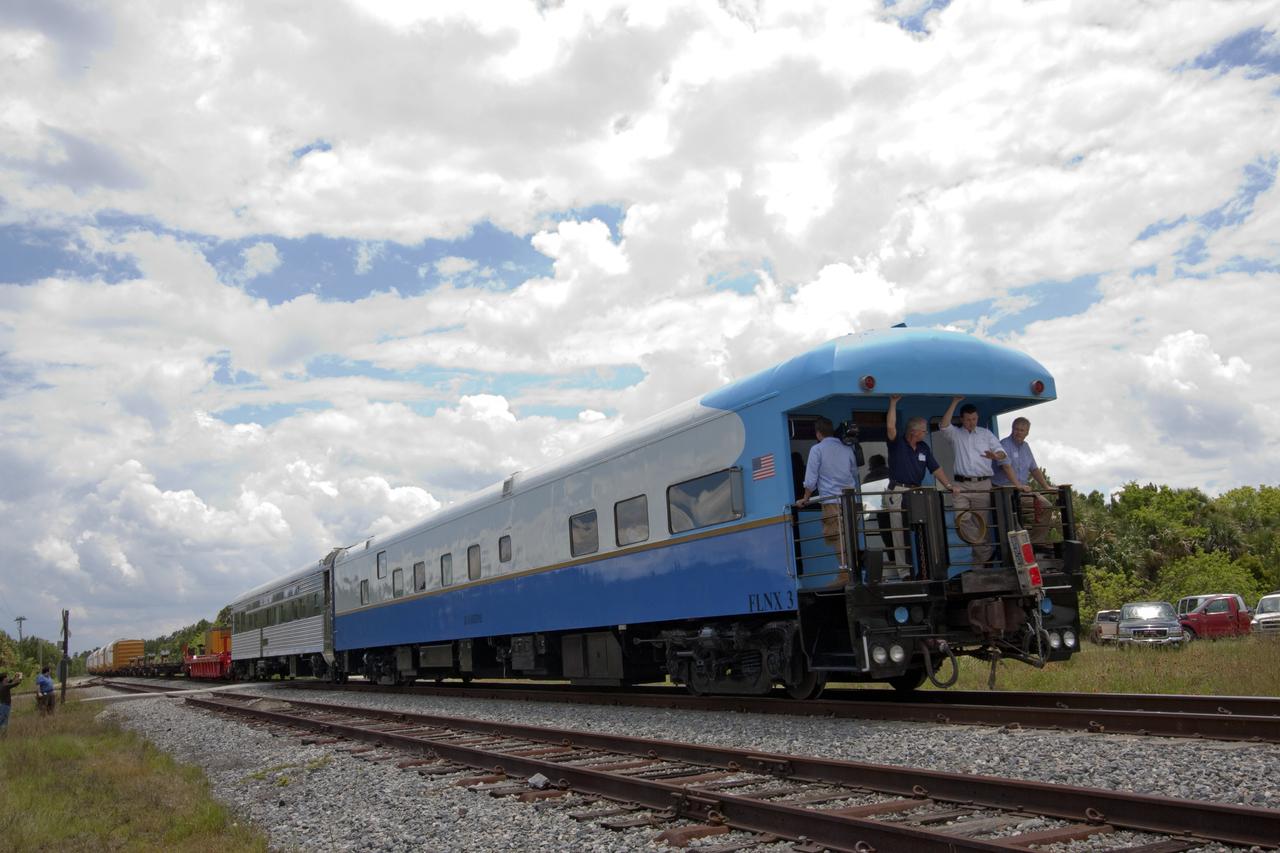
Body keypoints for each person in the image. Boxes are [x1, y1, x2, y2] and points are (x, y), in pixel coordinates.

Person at [937, 396, 1029, 566]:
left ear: (977, 418)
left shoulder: (986, 434)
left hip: (983, 484)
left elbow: (1002, 453)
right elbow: (943, 425)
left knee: (981, 524)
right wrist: (954, 402)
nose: (972, 422)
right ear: (962, 419)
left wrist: (995, 455)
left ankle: (980, 564)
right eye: (968, 419)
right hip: (962, 484)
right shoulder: (956, 434)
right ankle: (986, 550)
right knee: (961, 519)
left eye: (974, 419)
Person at [884, 396, 961, 576]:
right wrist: (893, 403)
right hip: (898, 491)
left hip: (916, 492)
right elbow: (890, 427)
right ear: (914, 432)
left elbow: (936, 468)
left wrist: (949, 485)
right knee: (899, 532)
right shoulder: (897, 444)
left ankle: (925, 569)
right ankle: (905, 574)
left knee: (921, 529)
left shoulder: (923, 447)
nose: (925, 433)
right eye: (924, 431)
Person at [798, 416, 860, 572]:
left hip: (831, 500)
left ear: (818, 433)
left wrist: (805, 498)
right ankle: (855, 569)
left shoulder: (817, 449)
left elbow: (811, 479)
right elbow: (854, 472)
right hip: (850, 499)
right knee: (850, 533)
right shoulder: (847, 448)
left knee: (836, 535)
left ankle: (845, 571)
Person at [992, 416, 1055, 546]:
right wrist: (1018, 485)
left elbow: (1034, 468)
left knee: (1046, 506)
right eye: (1016, 429)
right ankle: (1018, 546)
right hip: (1004, 491)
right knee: (1011, 521)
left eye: (1022, 430)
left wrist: (1046, 486)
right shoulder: (1004, 444)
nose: (1019, 432)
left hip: (1021, 491)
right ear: (1012, 429)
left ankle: (1035, 542)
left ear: (1027, 432)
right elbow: (1005, 466)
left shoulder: (1026, 447)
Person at [0, 670, 23, 737]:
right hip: (5, 706)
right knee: (4, 721)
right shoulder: (5, 686)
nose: (8, 678)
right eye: (7, 677)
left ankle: (3, 736)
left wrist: (15, 677)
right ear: (4, 679)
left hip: (2, 705)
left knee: (2, 720)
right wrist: (20, 677)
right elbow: (16, 683)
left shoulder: (2, 684)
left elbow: (10, 681)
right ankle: (3, 737)